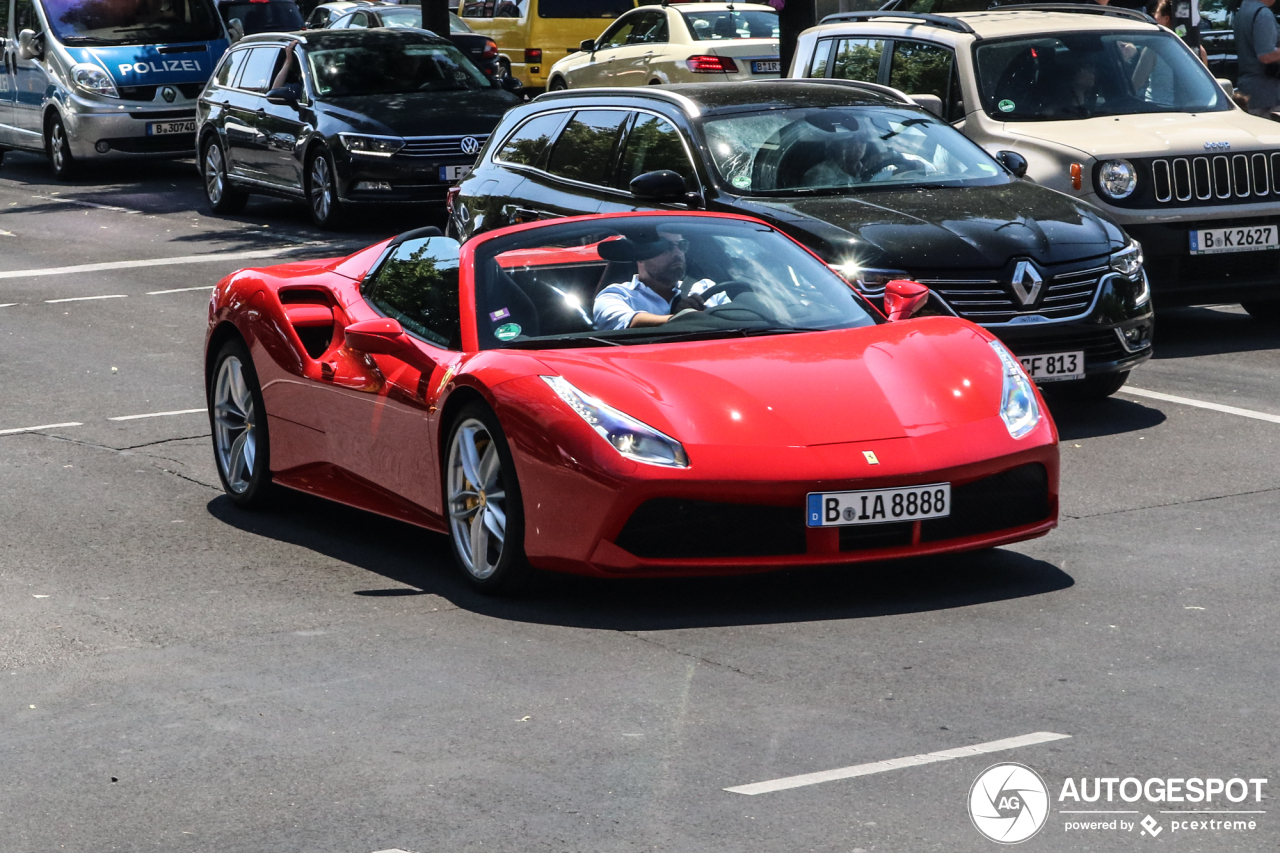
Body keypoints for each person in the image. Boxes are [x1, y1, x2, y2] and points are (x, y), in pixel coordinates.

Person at [592, 230, 726, 330]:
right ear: (640, 255)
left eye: (682, 245)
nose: (677, 253)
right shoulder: (616, 295)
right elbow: (631, 323)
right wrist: (689, 317)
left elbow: (740, 315)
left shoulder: (706, 288)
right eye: (666, 247)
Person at [1235, 0, 1280, 115]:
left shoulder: (1243, 10)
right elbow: (1266, 55)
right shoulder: (1263, 13)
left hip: (1249, 91)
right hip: (1267, 95)